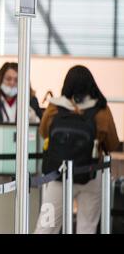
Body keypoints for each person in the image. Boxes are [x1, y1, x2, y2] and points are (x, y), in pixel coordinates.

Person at [34, 65, 120, 234]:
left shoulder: (55, 107)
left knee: (46, 226)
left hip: (58, 175)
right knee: (86, 227)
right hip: (91, 175)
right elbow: (112, 143)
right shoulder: (101, 109)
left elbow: (44, 133)